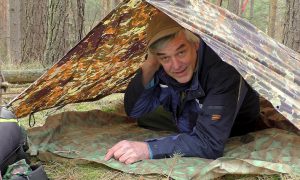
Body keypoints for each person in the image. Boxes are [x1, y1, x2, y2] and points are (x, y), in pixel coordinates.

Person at [104, 12, 260, 165]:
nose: (176, 65)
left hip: (231, 125)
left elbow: (210, 144)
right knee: (144, 117)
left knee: (202, 139)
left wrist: (148, 149)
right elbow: (135, 111)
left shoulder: (224, 70)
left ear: (196, 44)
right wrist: (150, 64)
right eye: (165, 57)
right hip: (184, 113)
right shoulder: (158, 63)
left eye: (181, 52)